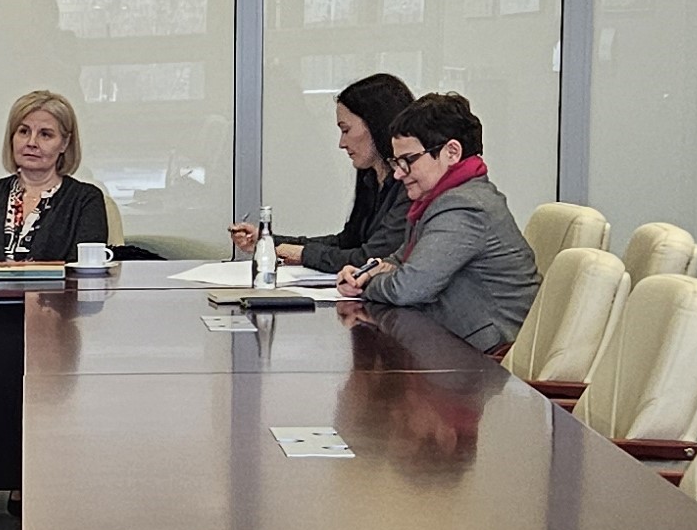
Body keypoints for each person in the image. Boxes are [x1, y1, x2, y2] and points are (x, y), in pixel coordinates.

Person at [339, 93, 542, 352]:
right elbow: (400, 261)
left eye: (408, 161)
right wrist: (366, 271)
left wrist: (366, 284)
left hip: (487, 358)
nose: (399, 174)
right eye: (396, 162)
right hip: (456, 344)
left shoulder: (464, 207)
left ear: (451, 152)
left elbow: (407, 288)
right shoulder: (440, 199)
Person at [231, 72, 413, 273]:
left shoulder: (411, 185)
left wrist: (303, 254)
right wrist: (268, 241)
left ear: (376, 125)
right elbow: (347, 242)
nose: (342, 143)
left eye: (346, 130)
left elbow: (370, 258)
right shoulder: (370, 178)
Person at [0, 89, 111, 263]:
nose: (31, 143)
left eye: (45, 134)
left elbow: (86, 270)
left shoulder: (85, 200)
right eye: (24, 132)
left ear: (64, 143)